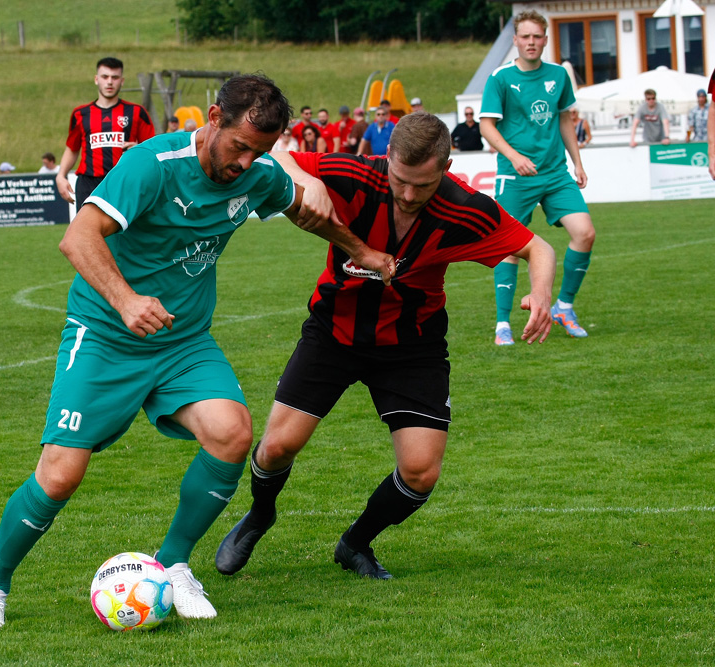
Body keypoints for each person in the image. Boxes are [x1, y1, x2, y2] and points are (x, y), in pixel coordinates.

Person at [0, 73, 393, 631]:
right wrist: (125, 300)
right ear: (213, 120)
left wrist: (365, 253)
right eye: (239, 146)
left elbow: (308, 215)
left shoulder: (258, 174)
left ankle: (173, 563)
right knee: (61, 474)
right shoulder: (152, 165)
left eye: (259, 152)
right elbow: (78, 238)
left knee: (233, 432)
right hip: (106, 335)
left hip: (184, 341)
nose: (245, 163)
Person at [214, 112, 555, 581]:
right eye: (400, 180)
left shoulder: (465, 208)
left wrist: (541, 293)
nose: (410, 194)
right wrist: (302, 180)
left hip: (412, 346)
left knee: (420, 473)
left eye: (424, 184)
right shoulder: (354, 173)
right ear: (386, 158)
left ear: (446, 167)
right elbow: (277, 153)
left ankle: (356, 543)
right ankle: (259, 515)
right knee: (274, 449)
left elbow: (539, 248)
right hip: (334, 332)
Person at [479, 10, 596, 344]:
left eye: (537, 37)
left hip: (555, 173)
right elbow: (487, 124)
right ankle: (503, 323)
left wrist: (578, 162)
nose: (531, 42)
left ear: (546, 39)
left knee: (585, 233)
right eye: (525, 37)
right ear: (515, 40)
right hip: (515, 177)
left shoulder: (559, 75)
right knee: (509, 246)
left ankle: (564, 307)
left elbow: (564, 120)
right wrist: (514, 157)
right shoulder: (500, 78)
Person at [56, 57, 155, 211]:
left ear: (122, 81)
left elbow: (153, 150)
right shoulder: (80, 114)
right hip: (89, 184)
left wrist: (138, 149)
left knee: (125, 234)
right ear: (96, 79)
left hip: (125, 181)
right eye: (105, 77)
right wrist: (61, 176)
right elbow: (72, 148)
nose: (110, 82)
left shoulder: (137, 112)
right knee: (87, 234)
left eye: (115, 77)